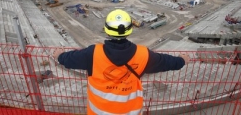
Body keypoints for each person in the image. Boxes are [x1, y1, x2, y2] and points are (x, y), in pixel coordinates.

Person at [53, 9, 190, 115]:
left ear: (106, 30)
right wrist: (183, 59)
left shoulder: (92, 53)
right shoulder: (143, 54)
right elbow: (169, 62)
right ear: (129, 30)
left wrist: (58, 54)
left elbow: (67, 60)